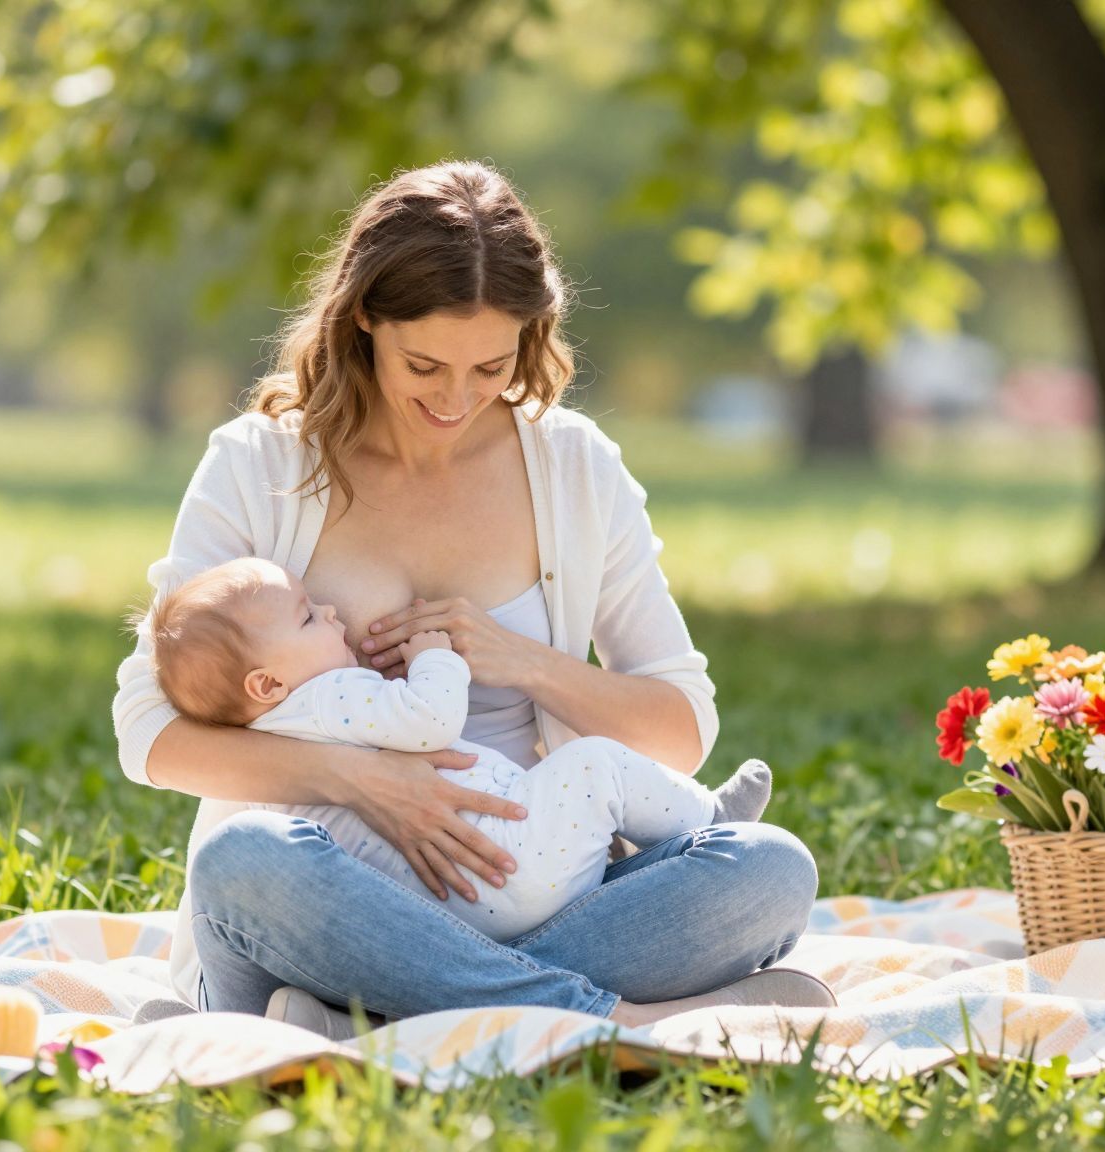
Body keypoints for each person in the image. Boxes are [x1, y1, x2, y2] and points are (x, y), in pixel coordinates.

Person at [109, 160, 825, 1037]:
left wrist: (520, 660)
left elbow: (681, 728)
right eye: (424, 365)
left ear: (532, 335)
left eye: (491, 364)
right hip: (333, 895)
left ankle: (374, 1016)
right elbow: (151, 734)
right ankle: (616, 1022)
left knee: (770, 867)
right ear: (365, 317)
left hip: (534, 888)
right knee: (243, 859)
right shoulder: (259, 464)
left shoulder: (574, 469)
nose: (454, 399)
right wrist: (364, 781)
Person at [135, 554, 776, 942]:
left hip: (458, 906)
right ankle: (709, 824)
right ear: (266, 682)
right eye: (307, 616)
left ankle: (455, 985)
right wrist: (434, 657)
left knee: (776, 874)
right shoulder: (330, 698)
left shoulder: (276, 723)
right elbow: (431, 721)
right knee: (594, 765)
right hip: (508, 861)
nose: (330, 612)